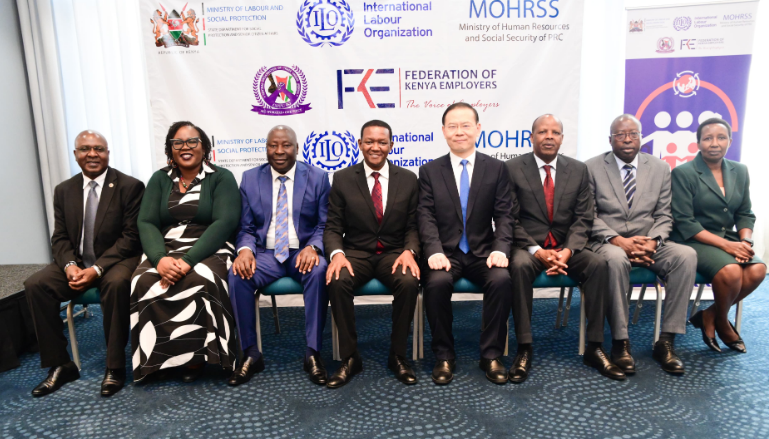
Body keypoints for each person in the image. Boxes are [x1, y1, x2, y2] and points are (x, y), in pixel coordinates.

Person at [24, 130, 144, 397]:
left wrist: (96, 269)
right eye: (85, 149)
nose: (92, 154)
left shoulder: (130, 186)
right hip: (77, 263)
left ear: (108, 154)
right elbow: (61, 237)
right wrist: (68, 265)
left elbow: (131, 238)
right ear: (76, 155)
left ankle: (115, 367)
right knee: (36, 284)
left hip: (116, 262)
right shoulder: (63, 190)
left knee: (116, 284)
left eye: (99, 149)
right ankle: (60, 364)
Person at [507, 114, 624, 382]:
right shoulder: (512, 169)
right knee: (520, 266)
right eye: (543, 132)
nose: (549, 136)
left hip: (566, 247)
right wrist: (537, 250)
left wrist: (568, 252)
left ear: (562, 138)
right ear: (531, 137)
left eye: (555, 132)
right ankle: (524, 347)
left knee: (597, 265)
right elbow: (508, 219)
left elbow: (583, 217)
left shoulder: (578, 169)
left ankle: (595, 347)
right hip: (529, 247)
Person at [130, 121, 241, 382]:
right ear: (170, 150)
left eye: (193, 141)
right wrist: (159, 260)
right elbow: (146, 222)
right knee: (143, 280)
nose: (185, 147)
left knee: (203, 279)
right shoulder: (159, 179)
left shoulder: (221, 177)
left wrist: (188, 260)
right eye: (178, 143)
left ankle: (198, 358)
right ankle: (156, 358)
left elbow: (224, 223)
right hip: (165, 248)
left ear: (204, 148)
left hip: (209, 247)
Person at [586, 114, 696, 376]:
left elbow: (664, 214)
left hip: (648, 242)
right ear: (610, 139)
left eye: (633, 134)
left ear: (641, 137)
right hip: (609, 241)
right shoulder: (591, 167)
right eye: (620, 135)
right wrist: (619, 241)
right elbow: (587, 215)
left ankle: (666, 341)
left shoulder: (660, 168)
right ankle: (620, 343)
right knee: (615, 259)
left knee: (686, 256)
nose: (627, 139)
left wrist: (653, 241)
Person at [418, 103, 514, 385]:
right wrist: (434, 250)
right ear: (443, 131)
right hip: (445, 253)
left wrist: (500, 248)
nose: (459, 132)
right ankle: (444, 355)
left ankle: (491, 355)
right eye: (452, 126)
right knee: (435, 284)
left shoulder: (496, 169)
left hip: (484, 252)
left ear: (478, 129)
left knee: (501, 280)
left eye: (465, 125)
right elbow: (425, 216)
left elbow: (506, 215)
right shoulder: (429, 171)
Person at [228, 126, 331, 386]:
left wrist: (315, 247)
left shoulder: (318, 177)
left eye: (286, 145)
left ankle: (313, 353)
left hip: (303, 251)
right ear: (266, 149)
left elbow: (324, 224)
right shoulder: (250, 178)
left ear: (297, 148)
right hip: (266, 253)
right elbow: (246, 227)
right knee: (237, 275)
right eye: (273, 146)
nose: (279, 151)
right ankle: (251, 353)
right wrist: (245, 251)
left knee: (319, 271)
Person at [324, 120, 421, 388]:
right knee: (337, 279)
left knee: (409, 281)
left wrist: (410, 251)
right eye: (369, 141)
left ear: (391, 145)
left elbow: (414, 226)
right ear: (359, 144)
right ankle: (350, 356)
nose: (375, 147)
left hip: (394, 253)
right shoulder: (343, 179)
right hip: (355, 253)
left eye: (381, 142)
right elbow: (333, 227)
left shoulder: (409, 179)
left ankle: (398, 355)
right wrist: (337, 254)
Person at [671, 118, 765, 353]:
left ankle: (711, 315)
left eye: (721, 137)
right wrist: (728, 247)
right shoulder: (683, 173)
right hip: (693, 239)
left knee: (758, 269)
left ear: (730, 142)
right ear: (698, 143)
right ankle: (723, 323)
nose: (714, 143)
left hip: (728, 239)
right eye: (708, 138)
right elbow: (685, 222)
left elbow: (745, 213)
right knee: (731, 270)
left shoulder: (740, 170)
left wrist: (744, 241)